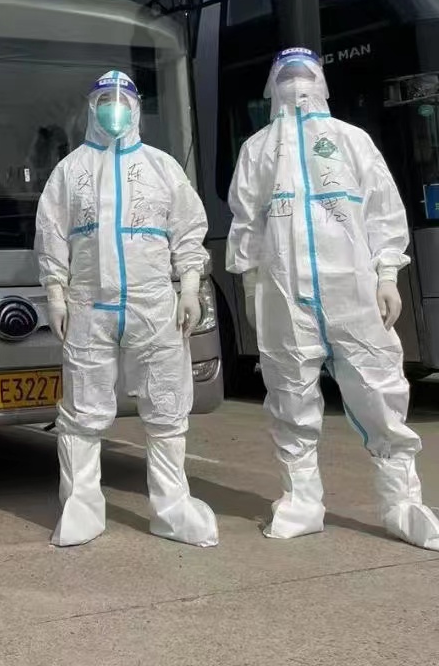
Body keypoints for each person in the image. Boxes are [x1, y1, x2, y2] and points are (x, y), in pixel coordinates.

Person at [227, 47, 439, 549]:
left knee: (379, 391)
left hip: (353, 290)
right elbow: (246, 222)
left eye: (305, 75)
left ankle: (403, 504)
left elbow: (383, 210)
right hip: (284, 293)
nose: (296, 85)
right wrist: (252, 285)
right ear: (273, 87)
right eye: (287, 76)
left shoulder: (352, 141)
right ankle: (301, 500)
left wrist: (386, 273)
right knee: (289, 395)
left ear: (321, 83)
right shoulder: (257, 150)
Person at [36, 70, 218, 548]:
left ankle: (172, 508)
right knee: (82, 410)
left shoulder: (162, 167)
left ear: (136, 109)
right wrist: (55, 291)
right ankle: (81, 508)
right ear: (91, 108)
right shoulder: (70, 171)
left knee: (166, 408)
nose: (112, 108)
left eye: (121, 101)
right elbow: (51, 234)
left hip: (153, 305)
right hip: (89, 306)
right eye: (103, 101)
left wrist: (190, 286)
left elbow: (188, 230)